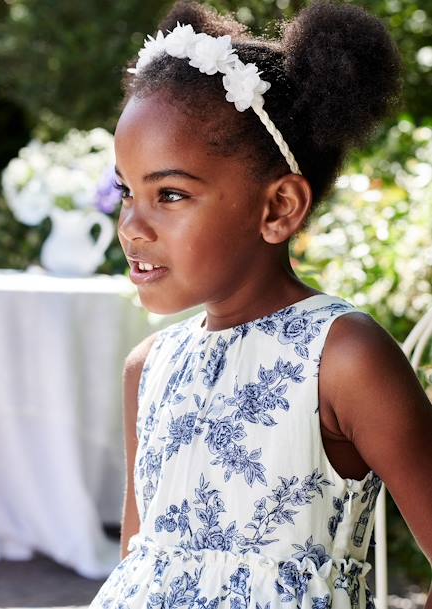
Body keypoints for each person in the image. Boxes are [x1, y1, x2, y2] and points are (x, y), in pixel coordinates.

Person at [89, 1, 432, 607]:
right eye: (126, 191)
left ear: (278, 208)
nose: (132, 227)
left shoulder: (343, 358)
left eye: (169, 194)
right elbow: (141, 562)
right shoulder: (149, 367)